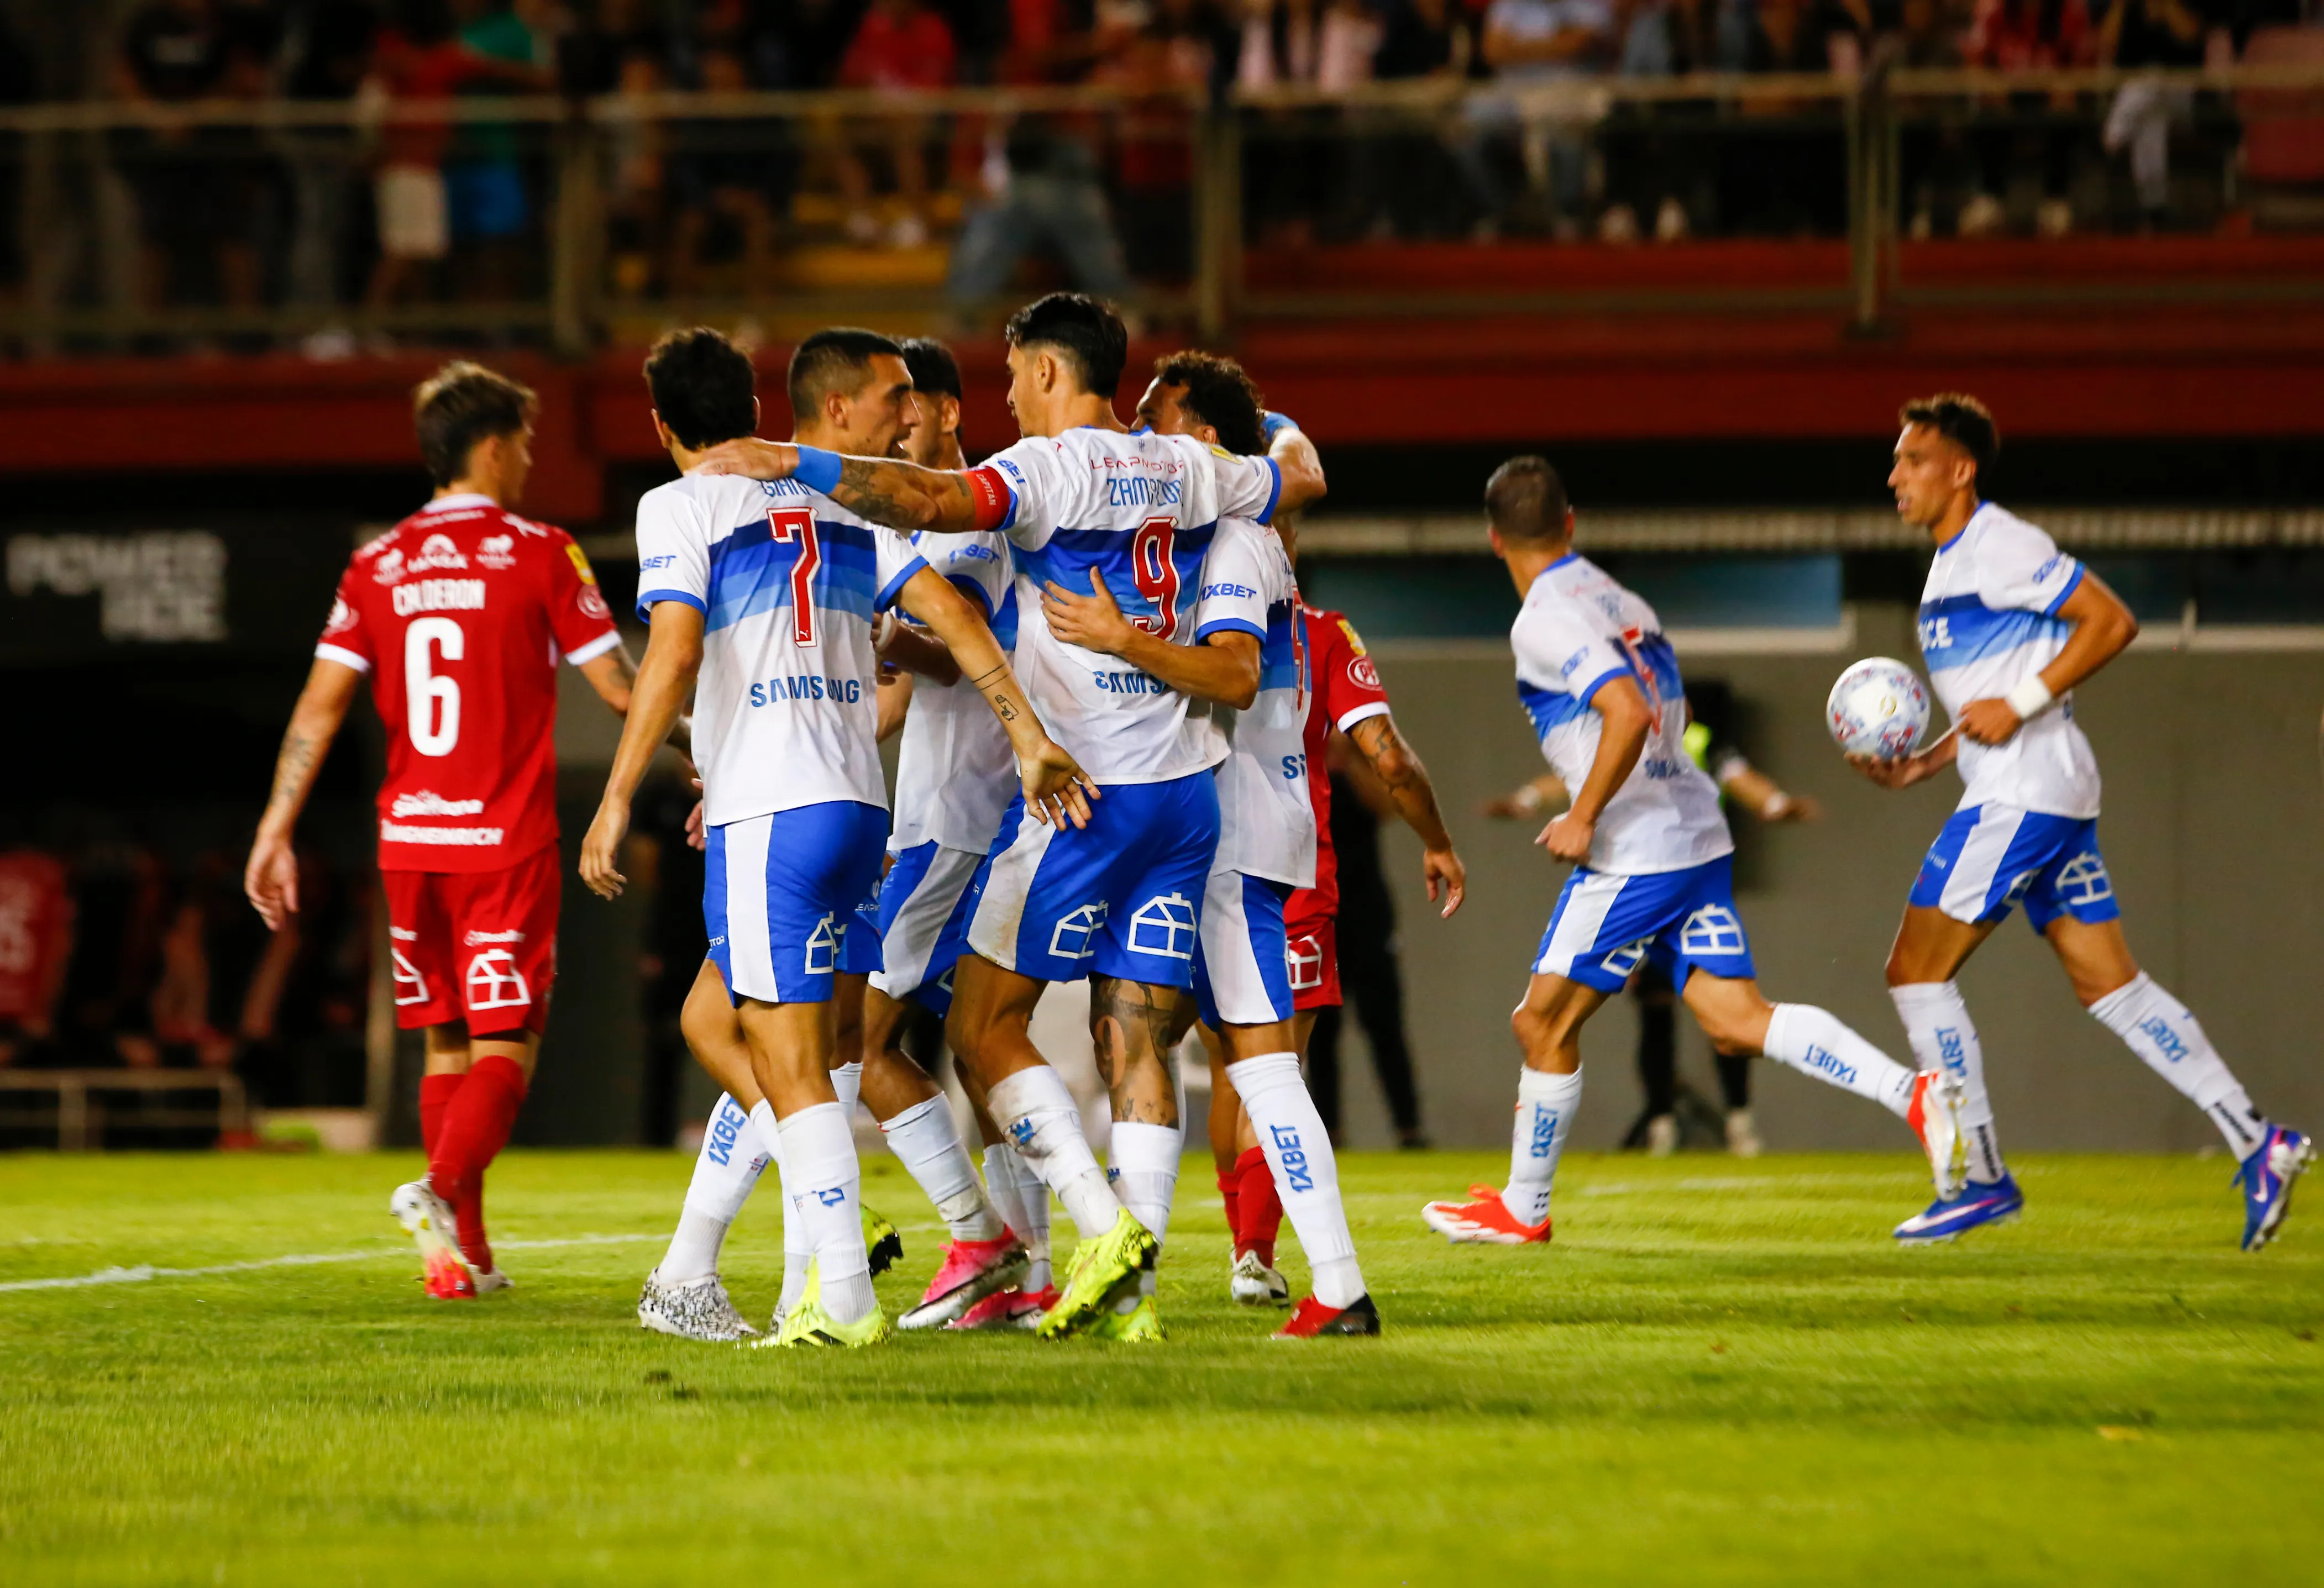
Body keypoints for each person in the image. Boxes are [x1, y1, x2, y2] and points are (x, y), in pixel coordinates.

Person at [694, 291, 1328, 1339]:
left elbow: (931, 514)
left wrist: (790, 462)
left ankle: (975, 1247)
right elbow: (1299, 474)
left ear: (1040, 373)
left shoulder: (1035, 475)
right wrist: (1276, 424)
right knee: (1122, 1037)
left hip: (1043, 799)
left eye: (1007, 376)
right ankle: (1082, 1268)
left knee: (911, 1030)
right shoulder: (1190, 470)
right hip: (1170, 796)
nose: (1002, 398)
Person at [581, 325, 1091, 1349]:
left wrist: (616, 790)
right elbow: (948, 615)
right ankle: (698, 1271)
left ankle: (838, 1294)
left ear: (660, 424)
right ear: (763, 409)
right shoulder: (840, 500)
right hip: (861, 809)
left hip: (773, 808)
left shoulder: (679, 503)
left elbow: (673, 648)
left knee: (787, 1055)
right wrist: (1026, 727)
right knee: (763, 1030)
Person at [1420, 456, 1965, 1246]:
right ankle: (1915, 1096)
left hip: (1633, 851)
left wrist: (1582, 813)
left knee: (1539, 1023)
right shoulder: (1622, 599)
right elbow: (1660, 715)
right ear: (1569, 523)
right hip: (1694, 834)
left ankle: (1523, 1208)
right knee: (1736, 1019)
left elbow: (1627, 711)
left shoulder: (1542, 617)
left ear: (1492, 539)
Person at [1853, 395, 2313, 1249]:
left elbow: (2111, 620)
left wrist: (2024, 701)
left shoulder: (2001, 543)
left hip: (2021, 793)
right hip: (2040, 787)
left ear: (1960, 469)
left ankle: (1981, 1177)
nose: (1895, 475)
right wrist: (1927, 760)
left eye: (1912, 459)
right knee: (2112, 985)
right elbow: (1992, 691)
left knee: (1915, 972)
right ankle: (2261, 1142)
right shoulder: (1952, 563)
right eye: (1896, 459)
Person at [245, 361, 648, 1300]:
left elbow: (317, 709)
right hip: (501, 842)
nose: (531, 463)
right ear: (498, 446)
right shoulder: (541, 550)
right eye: (528, 445)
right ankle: (438, 1188)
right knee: (508, 1046)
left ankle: (461, 1257)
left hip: (409, 843)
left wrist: (275, 827)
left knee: (445, 1043)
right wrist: (693, 746)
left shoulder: (375, 563)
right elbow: (621, 686)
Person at [1044, 351, 1382, 1337]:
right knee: (1148, 1039)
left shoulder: (1236, 539)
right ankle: (1136, 1285)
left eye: (1158, 416)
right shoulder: (1218, 524)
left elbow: (1232, 678)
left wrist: (1119, 640)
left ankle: (1339, 1283)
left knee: (1253, 1057)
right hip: (1222, 822)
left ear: (1202, 435)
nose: (1141, 433)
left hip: (1232, 828)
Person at [1129, 351, 1464, 1310]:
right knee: (1245, 1061)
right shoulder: (1314, 622)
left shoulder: (1221, 566)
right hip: (1256, 854)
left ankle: (1209, 1259)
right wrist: (1438, 841)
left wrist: (1116, 641)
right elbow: (1390, 756)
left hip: (1223, 849)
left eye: (1165, 420)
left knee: (1224, 1061)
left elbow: (1365, 745)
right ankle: (1249, 1261)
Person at [854, 335, 1067, 1333]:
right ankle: (1028, 1274)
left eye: (908, 403)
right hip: (953, 815)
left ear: (947, 409)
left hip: (957, 821)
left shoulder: (976, 518)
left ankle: (977, 1239)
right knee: (980, 1049)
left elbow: (948, 655)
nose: (897, 421)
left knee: (851, 1042)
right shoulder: (930, 522)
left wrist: (886, 632)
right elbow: (900, 702)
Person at [1484, 679, 1822, 1156]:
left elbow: (1737, 774)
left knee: (1728, 1018)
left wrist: (1775, 804)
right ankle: (1661, 1118)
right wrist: (1524, 800)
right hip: (1642, 888)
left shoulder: (1695, 738)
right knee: (1656, 1012)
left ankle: (1739, 1119)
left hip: (1687, 882)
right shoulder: (1621, 739)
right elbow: (1573, 780)